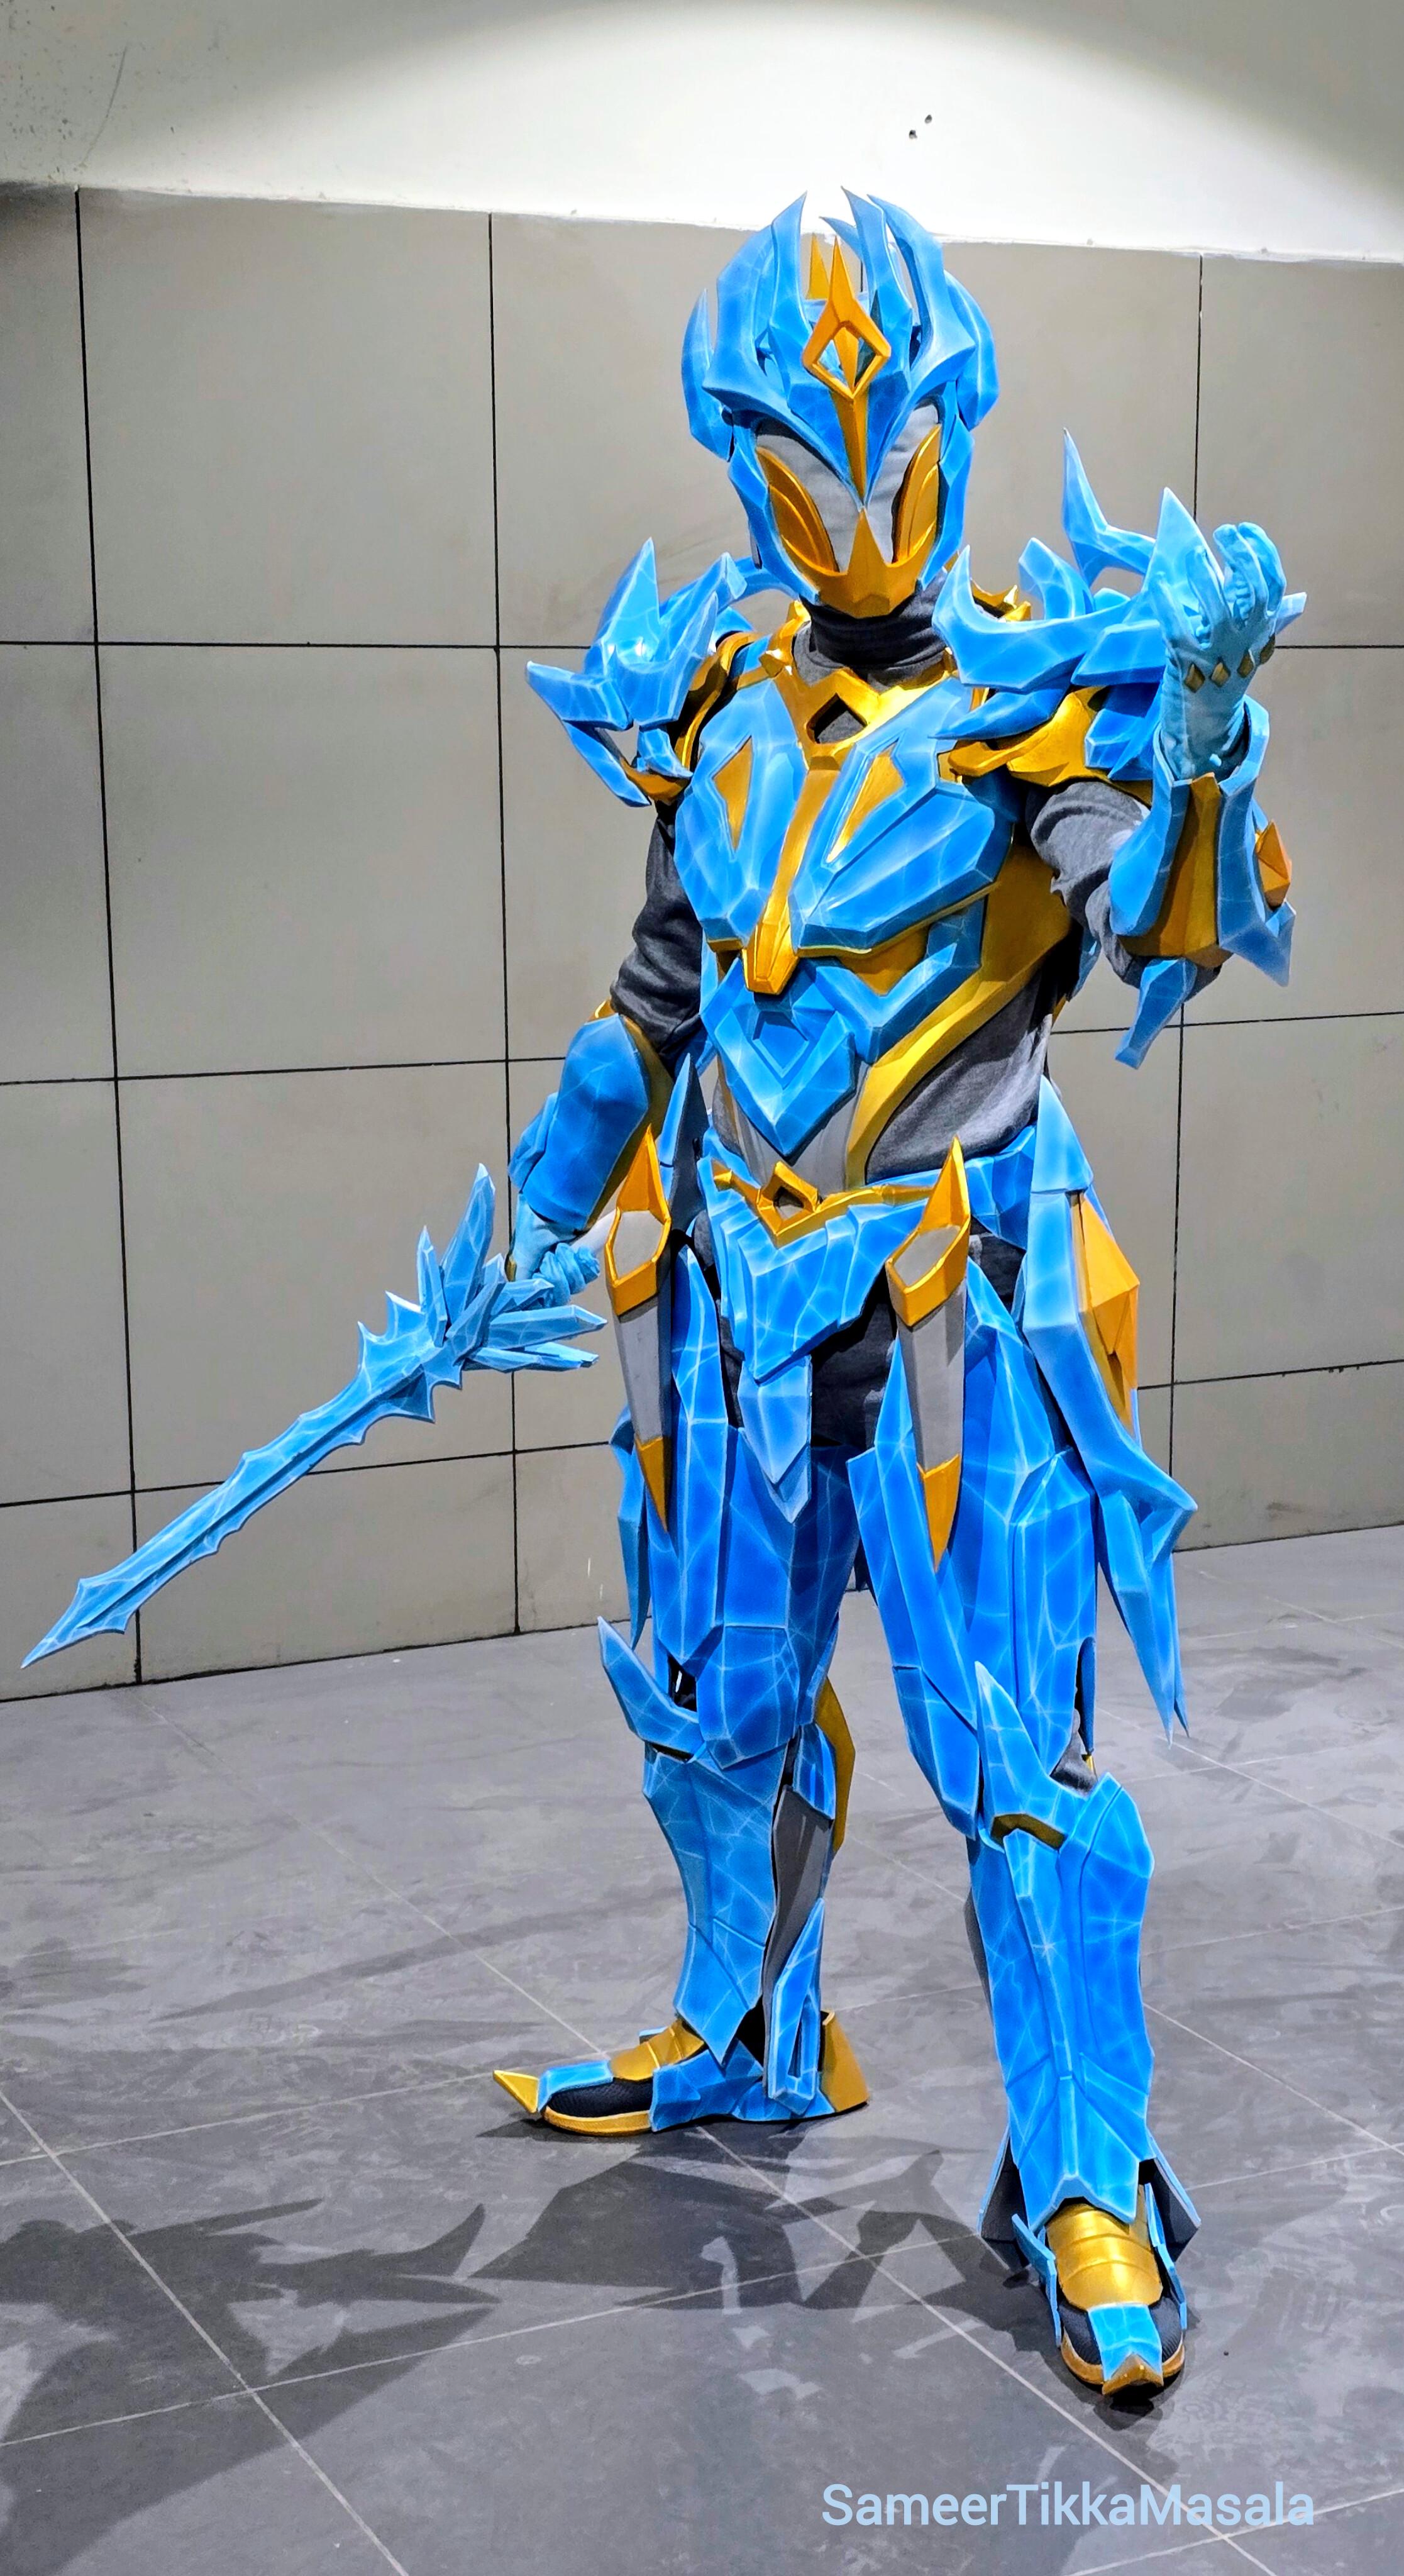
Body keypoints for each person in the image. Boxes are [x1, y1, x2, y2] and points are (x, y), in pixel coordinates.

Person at [492, 194, 1301, 2397]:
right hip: (726, 1294)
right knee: (712, 1708)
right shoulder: (721, 707)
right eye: (800, 463)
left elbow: (1160, 929)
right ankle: (749, 2030)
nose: (850, 508)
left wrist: (1198, 740)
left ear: (945, 433)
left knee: (1012, 1761)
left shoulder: (1038, 700)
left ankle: (1085, 2172)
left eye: (886, 453)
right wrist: (533, 1209)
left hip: (959, 1300)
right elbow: (657, 994)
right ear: (743, 460)